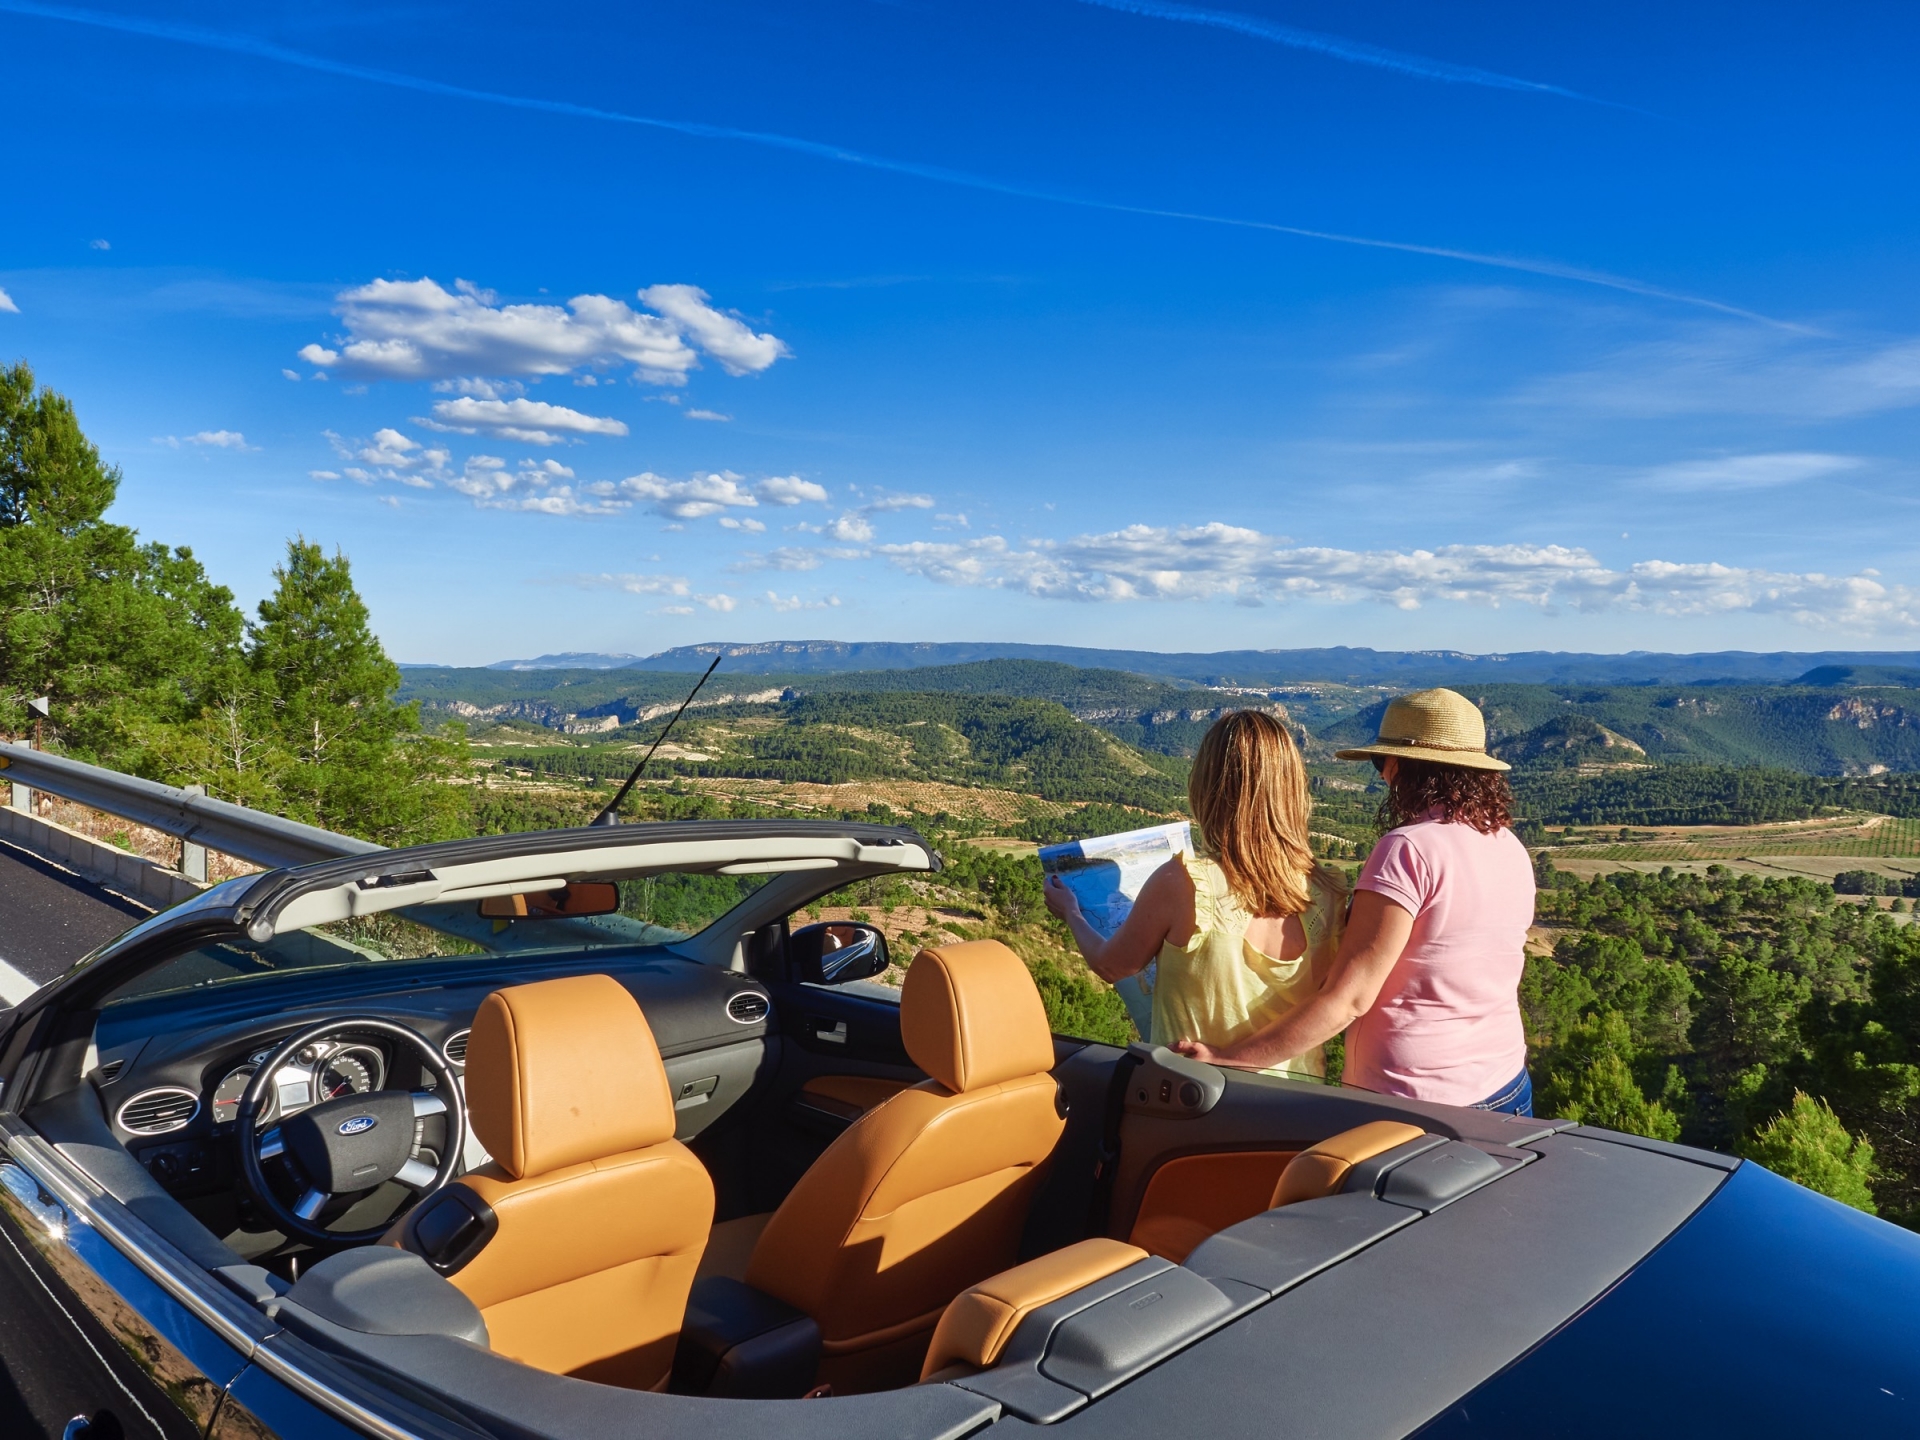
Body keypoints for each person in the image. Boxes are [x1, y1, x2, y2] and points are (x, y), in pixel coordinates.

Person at [1173, 688, 1536, 1115]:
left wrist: (1228, 1060)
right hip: (1508, 1083)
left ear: (1400, 765)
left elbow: (1350, 998)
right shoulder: (1508, 845)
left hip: (1411, 1100)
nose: (1381, 776)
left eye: (1380, 762)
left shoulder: (1407, 850)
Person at [1042, 709, 1348, 1079]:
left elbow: (1112, 965)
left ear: (1208, 785)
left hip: (1196, 1096)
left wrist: (1071, 913)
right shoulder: (1328, 890)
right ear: (1293, 789)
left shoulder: (1185, 882)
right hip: (1297, 1099)